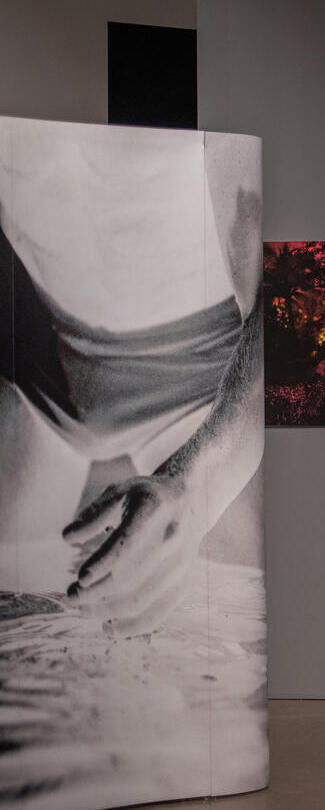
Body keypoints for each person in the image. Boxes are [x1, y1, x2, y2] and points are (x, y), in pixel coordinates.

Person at [0, 116, 264, 637]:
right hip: (43, 378)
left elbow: (277, 308)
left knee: (216, 671)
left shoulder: (205, 78)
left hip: (196, 393)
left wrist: (197, 487)